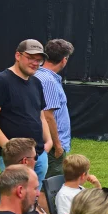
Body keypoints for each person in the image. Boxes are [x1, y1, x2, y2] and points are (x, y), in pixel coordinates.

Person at [0, 39, 53, 186]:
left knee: (33, 198)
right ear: (18, 56)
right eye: (31, 58)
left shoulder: (36, 83)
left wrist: (49, 141)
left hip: (39, 154)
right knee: (15, 199)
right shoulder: (1, 81)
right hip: (15, 158)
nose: (35, 63)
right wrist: (11, 149)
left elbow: (41, 117)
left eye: (39, 60)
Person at [0, 139, 70, 214]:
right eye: (35, 157)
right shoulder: (3, 188)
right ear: (25, 161)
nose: (36, 160)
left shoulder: (11, 184)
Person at [35, 39, 74, 178]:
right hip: (51, 143)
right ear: (64, 60)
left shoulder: (37, 73)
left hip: (42, 139)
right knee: (51, 185)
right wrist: (57, 144)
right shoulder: (49, 80)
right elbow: (47, 116)